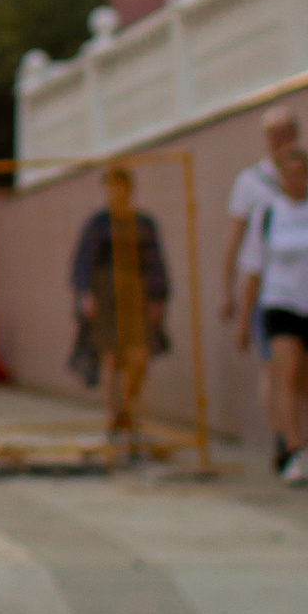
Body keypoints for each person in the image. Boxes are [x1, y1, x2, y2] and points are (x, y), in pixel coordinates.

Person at [224, 108, 308, 471]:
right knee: (283, 370)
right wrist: (232, 297)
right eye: (273, 134)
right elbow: (239, 244)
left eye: (286, 133)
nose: (279, 140)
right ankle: (288, 441)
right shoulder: (250, 184)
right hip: (275, 298)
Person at [68, 163, 170, 450]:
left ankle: (129, 409)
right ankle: (114, 417)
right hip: (106, 294)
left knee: (138, 356)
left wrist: (158, 297)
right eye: (110, 187)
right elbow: (84, 260)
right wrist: (85, 293)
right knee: (111, 356)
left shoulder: (143, 223)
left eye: (119, 186)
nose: (114, 192)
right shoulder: (98, 223)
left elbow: (155, 262)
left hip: (136, 293)